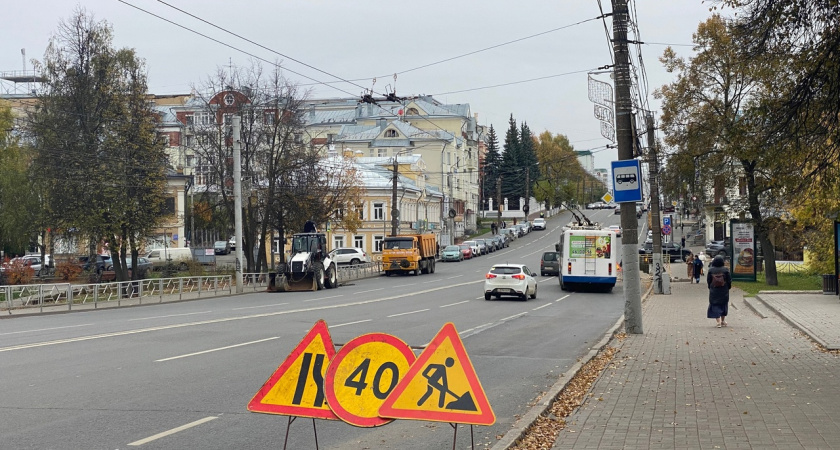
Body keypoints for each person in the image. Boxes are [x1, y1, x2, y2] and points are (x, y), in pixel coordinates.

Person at [706, 254, 732, 327]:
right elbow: (729, 280)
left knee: (715, 305)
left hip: (714, 290)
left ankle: (718, 322)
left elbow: (708, 280)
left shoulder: (711, 270)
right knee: (723, 304)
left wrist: (710, 287)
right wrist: (728, 287)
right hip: (724, 289)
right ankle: (723, 320)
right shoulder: (725, 269)